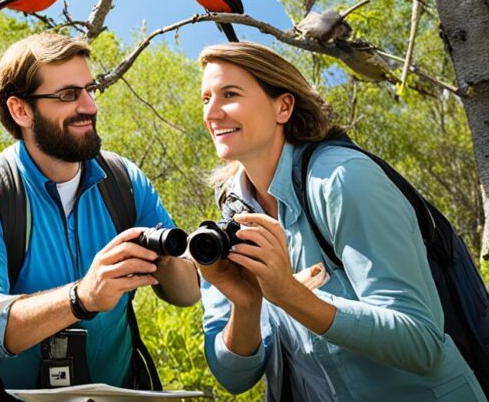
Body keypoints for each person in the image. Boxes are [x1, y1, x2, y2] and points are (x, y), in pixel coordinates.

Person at [196, 42, 486, 401]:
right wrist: (247, 303)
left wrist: (290, 295)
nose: (213, 113)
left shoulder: (343, 179)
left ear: (283, 106)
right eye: (206, 98)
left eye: (230, 94)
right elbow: (233, 379)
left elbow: (421, 342)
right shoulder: (227, 223)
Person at [0, 32, 200, 389]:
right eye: (68, 95)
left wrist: (163, 257)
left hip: (119, 393)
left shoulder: (125, 181)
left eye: (90, 89)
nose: (90, 106)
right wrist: (81, 297)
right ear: (20, 110)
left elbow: (187, 294)